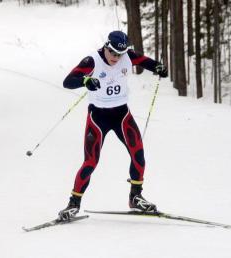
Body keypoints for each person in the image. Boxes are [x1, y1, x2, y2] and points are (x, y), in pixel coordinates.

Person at [59, 31, 168, 220]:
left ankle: (135, 197)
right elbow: (67, 82)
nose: (117, 58)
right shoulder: (91, 61)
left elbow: (145, 61)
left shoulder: (126, 56)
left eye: (121, 54)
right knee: (91, 162)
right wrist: (85, 81)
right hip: (98, 117)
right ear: (106, 47)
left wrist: (158, 67)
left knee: (138, 154)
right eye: (114, 53)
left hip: (121, 114)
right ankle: (73, 204)